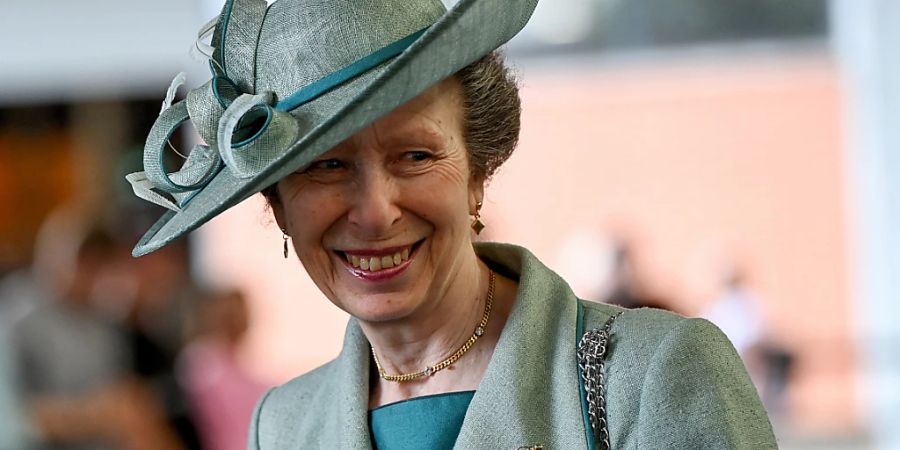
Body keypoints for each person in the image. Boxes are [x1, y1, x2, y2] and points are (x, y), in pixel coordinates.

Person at [125, 0, 778, 448]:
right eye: (325, 166)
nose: (375, 209)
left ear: (477, 171)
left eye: (414, 155)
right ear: (277, 207)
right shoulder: (284, 425)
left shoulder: (657, 373)